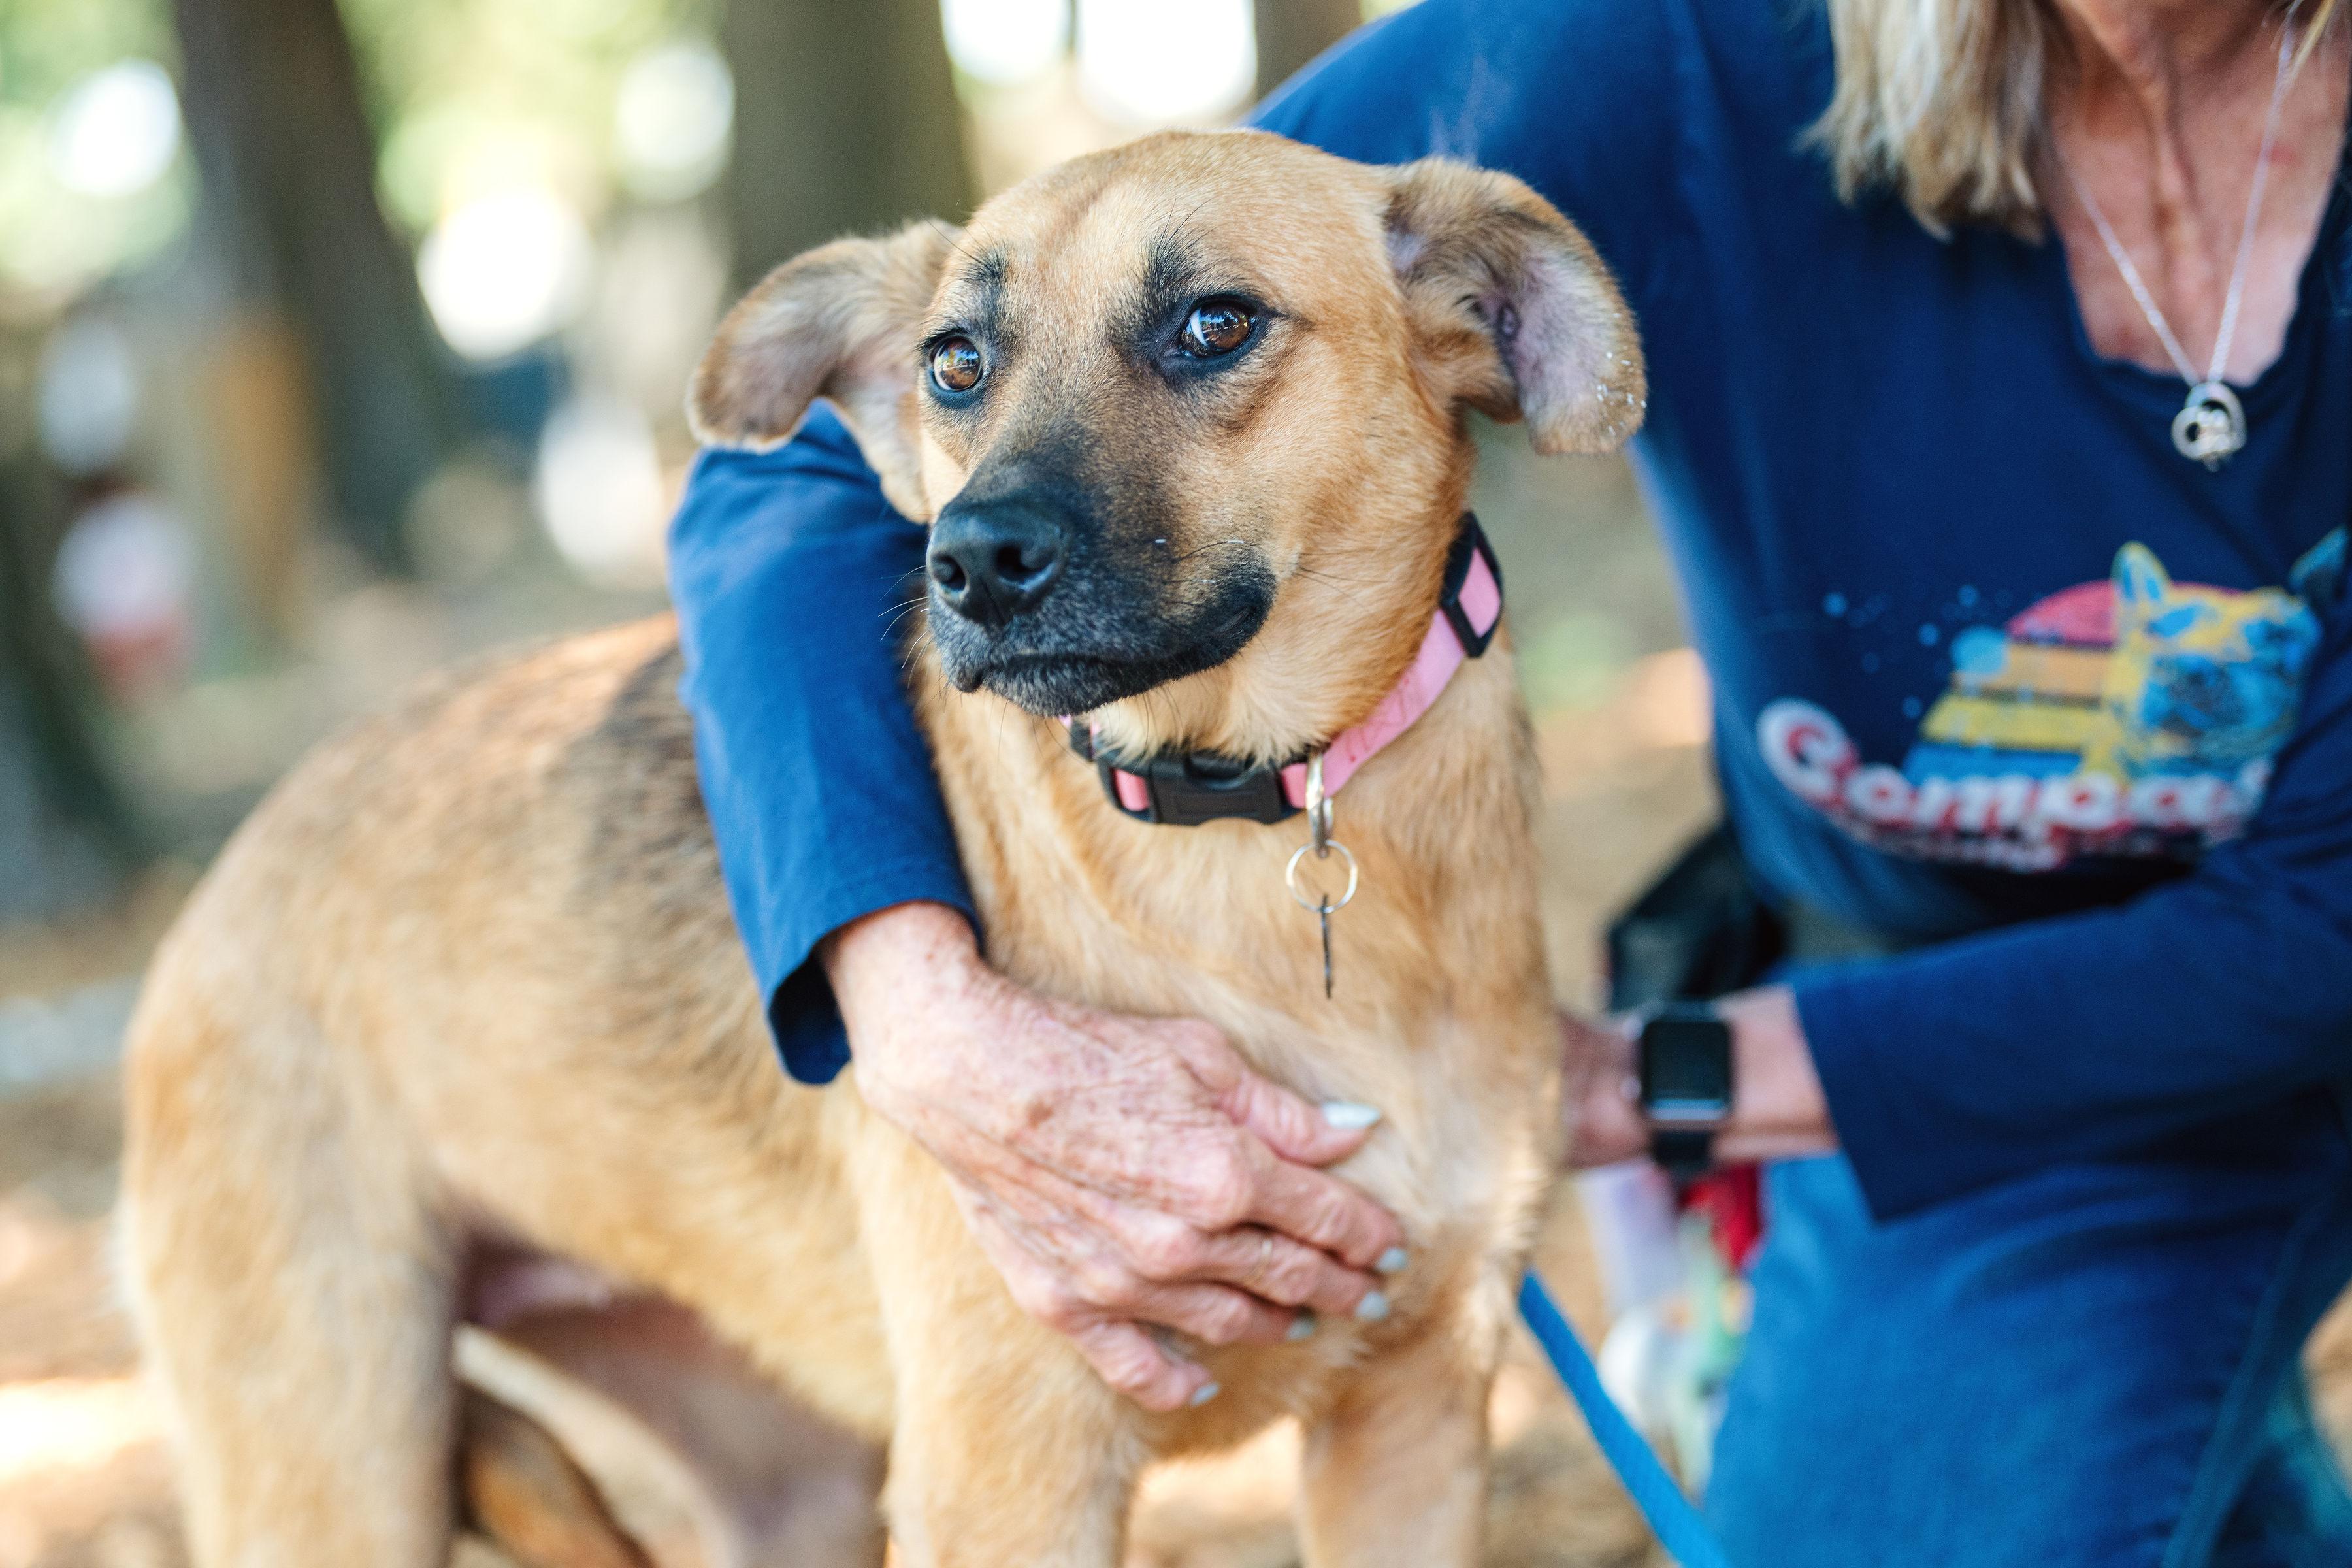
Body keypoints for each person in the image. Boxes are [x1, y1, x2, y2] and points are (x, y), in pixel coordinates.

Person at [665, 0, 2352, 1560]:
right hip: (1934, 1039)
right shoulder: (1674, 45)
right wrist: (926, 1025)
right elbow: (786, 484)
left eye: (1202, 334)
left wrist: (1678, 1078)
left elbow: (2318, 934)